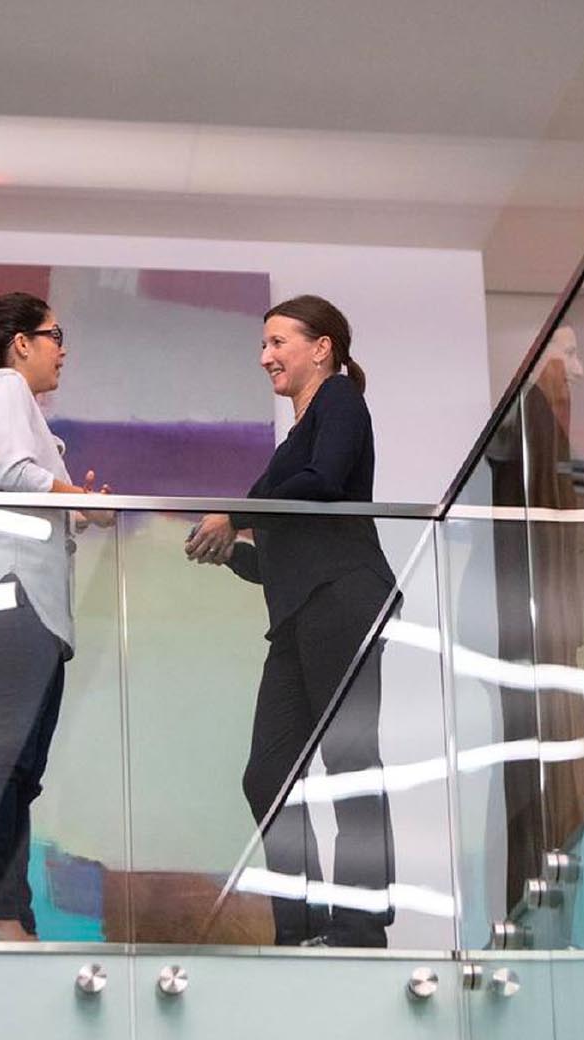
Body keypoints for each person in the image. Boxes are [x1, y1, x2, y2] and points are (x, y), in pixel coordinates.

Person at [186, 295, 398, 948]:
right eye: (264, 344)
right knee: (268, 774)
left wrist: (236, 514)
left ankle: (360, 923)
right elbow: (285, 557)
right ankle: (302, 925)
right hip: (303, 612)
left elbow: (325, 481)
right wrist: (233, 552)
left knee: (348, 757)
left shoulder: (339, 399)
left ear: (322, 348)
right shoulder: (297, 438)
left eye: (278, 342)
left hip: (344, 598)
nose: (266, 356)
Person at [0, 291, 109, 942]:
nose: (63, 350)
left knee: (20, 770)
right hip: (8, 594)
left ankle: (11, 909)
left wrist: (75, 505)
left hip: (17, 601)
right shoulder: (4, 387)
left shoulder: (3, 402)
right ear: (21, 344)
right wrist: (77, 497)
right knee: (7, 760)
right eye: (54, 335)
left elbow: (22, 484)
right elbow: (13, 472)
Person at [482, 325, 584, 920]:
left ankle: (540, 904)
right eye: (569, 354)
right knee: (544, 776)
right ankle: (542, 907)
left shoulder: (534, 427)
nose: (579, 371)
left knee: (544, 775)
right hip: (536, 631)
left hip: (540, 629)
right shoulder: (533, 417)